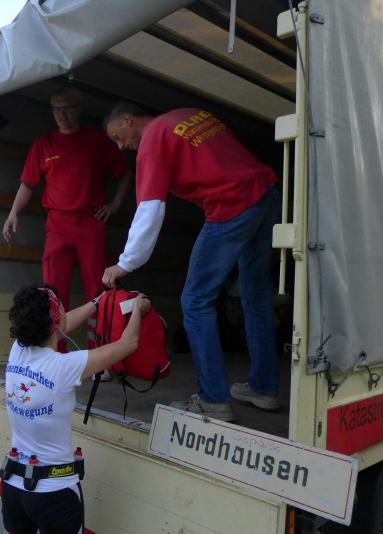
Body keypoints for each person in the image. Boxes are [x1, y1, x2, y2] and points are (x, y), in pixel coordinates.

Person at [102, 103, 281, 422]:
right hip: (265, 195)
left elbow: (150, 209)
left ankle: (213, 399)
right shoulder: (187, 115)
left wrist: (125, 263)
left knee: (196, 302)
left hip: (231, 206)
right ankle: (263, 388)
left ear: (128, 120)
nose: (120, 146)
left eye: (118, 137)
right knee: (256, 297)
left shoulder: (152, 140)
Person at [1, 284, 150, 533]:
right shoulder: (65, 367)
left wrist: (97, 303)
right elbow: (129, 343)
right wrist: (137, 308)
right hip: (54, 493)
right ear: (55, 321)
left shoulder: (17, 350)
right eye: (61, 307)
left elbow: (64, 323)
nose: (65, 311)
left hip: (13, 484)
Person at [2, 87, 131, 352]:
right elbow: (28, 184)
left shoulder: (97, 141)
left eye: (67, 108)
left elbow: (126, 173)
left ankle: (99, 354)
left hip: (90, 221)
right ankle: (56, 354)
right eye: (56, 108)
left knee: (98, 289)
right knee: (53, 291)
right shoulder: (44, 144)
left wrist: (115, 205)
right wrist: (13, 213)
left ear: (78, 109)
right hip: (57, 223)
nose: (61, 114)